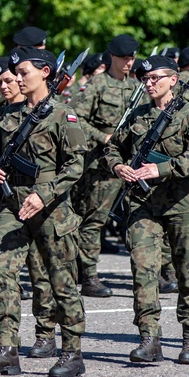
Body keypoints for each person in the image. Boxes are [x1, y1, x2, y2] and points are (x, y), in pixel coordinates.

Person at [0, 47, 87, 377]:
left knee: (60, 278)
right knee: (1, 271)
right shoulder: (7, 116)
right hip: (11, 204)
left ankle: (71, 352)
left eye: (23, 73)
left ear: (45, 73)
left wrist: (44, 193)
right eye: (15, 74)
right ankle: (8, 349)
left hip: (50, 209)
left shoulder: (63, 115)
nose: (16, 79)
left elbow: (76, 164)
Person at [104, 55, 189, 365]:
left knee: (188, 272)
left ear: (172, 80)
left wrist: (162, 169)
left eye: (155, 78)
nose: (149, 83)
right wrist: (118, 165)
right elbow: (112, 147)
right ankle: (149, 339)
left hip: (183, 205)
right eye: (145, 79)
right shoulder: (136, 116)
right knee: (143, 272)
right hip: (143, 206)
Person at [69, 34, 139, 298]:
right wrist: (104, 137)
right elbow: (76, 119)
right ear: (112, 57)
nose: (129, 63)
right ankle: (88, 276)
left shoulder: (136, 88)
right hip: (100, 165)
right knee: (93, 221)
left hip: (128, 163)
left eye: (132, 58)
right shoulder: (98, 84)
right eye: (124, 58)